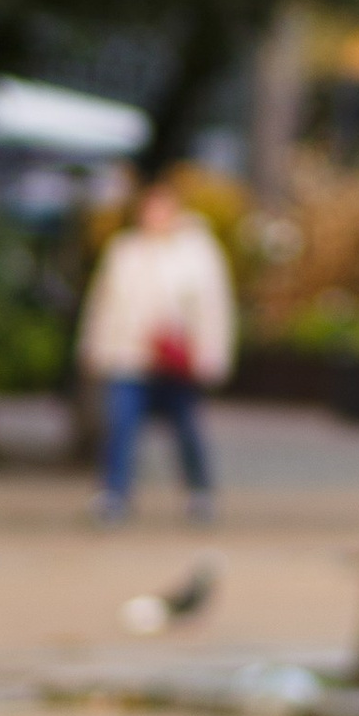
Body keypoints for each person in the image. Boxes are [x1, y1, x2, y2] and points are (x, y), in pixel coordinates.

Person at [79, 178, 235, 520]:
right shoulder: (125, 250)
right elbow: (103, 303)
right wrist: (93, 345)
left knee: (185, 428)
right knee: (122, 425)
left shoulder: (197, 253)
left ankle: (199, 490)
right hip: (128, 354)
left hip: (175, 360)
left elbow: (213, 309)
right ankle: (115, 493)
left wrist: (211, 355)